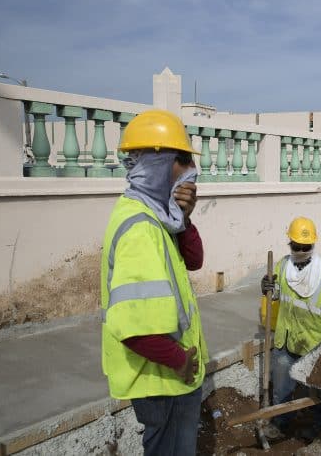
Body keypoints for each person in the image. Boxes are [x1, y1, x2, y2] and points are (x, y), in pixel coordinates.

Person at [100, 109, 208, 455]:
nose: (192, 170)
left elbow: (194, 260)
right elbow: (134, 327)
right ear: (160, 164)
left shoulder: (157, 215)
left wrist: (185, 220)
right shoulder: (141, 226)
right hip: (164, 381)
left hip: (167, 379)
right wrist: (180, 361)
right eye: (184, 160)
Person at [261, 217, 321, 438]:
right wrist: (268, 288)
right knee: (281, 388)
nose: (300, 250)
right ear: (290, 243)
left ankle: (317, 426)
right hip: (286, 340)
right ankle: (280, 424)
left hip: (313, 344)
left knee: (316, 391)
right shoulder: (282, 266)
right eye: (296, 246)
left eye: (305, 247)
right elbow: (278, 296)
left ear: (312, 246)